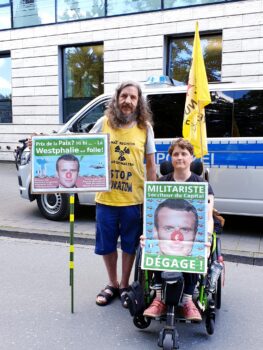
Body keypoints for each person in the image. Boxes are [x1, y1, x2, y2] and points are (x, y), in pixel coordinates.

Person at [89, 81, 156, 307]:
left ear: (139, 103)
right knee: (107, 245)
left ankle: (125, 285)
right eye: (124, 96)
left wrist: (153, 198)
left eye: (133, 97)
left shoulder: (145, 128)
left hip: (133, 201)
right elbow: (83, 148)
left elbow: (150, 166)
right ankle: (112, 284)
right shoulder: (103, 123)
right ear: (117, 99)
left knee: (129, 245)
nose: (128, 101)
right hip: (106, 199)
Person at [142, 138, 214, 321]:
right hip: (163, 232)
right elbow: (151, 218)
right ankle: (159, 298)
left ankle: (188, 300)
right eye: (176, 154)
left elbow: (208, 216)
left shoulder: (201, 184)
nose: (180, 157)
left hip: (193, 233)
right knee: (155, 245)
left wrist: (206, 239)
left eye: (184, 154)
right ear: (171, 158)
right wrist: (147, 235)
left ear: (192, 158)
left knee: (193, 246)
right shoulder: (160, 183)